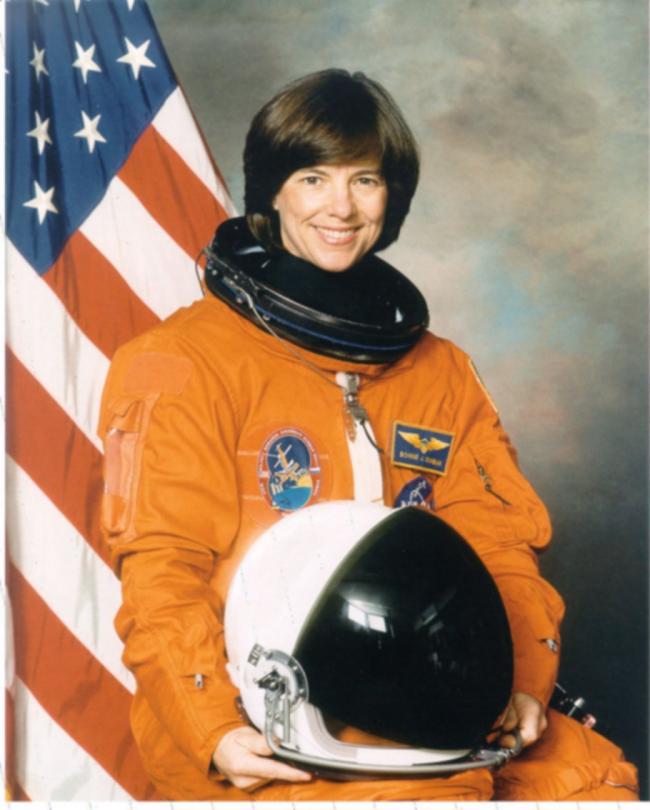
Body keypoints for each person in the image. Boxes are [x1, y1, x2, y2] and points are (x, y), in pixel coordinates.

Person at [98, 69, 638, 801]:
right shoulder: (180, 364)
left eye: (366, 180)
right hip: (269, 718)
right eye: (313, 178)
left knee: (596, 783)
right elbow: (163, 571)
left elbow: (498, 545)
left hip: (432, 702)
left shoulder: (439, 371)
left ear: (393, 196)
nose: (341, 207)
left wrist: (524, 683)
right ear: (271, 192)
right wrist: (214, 728)